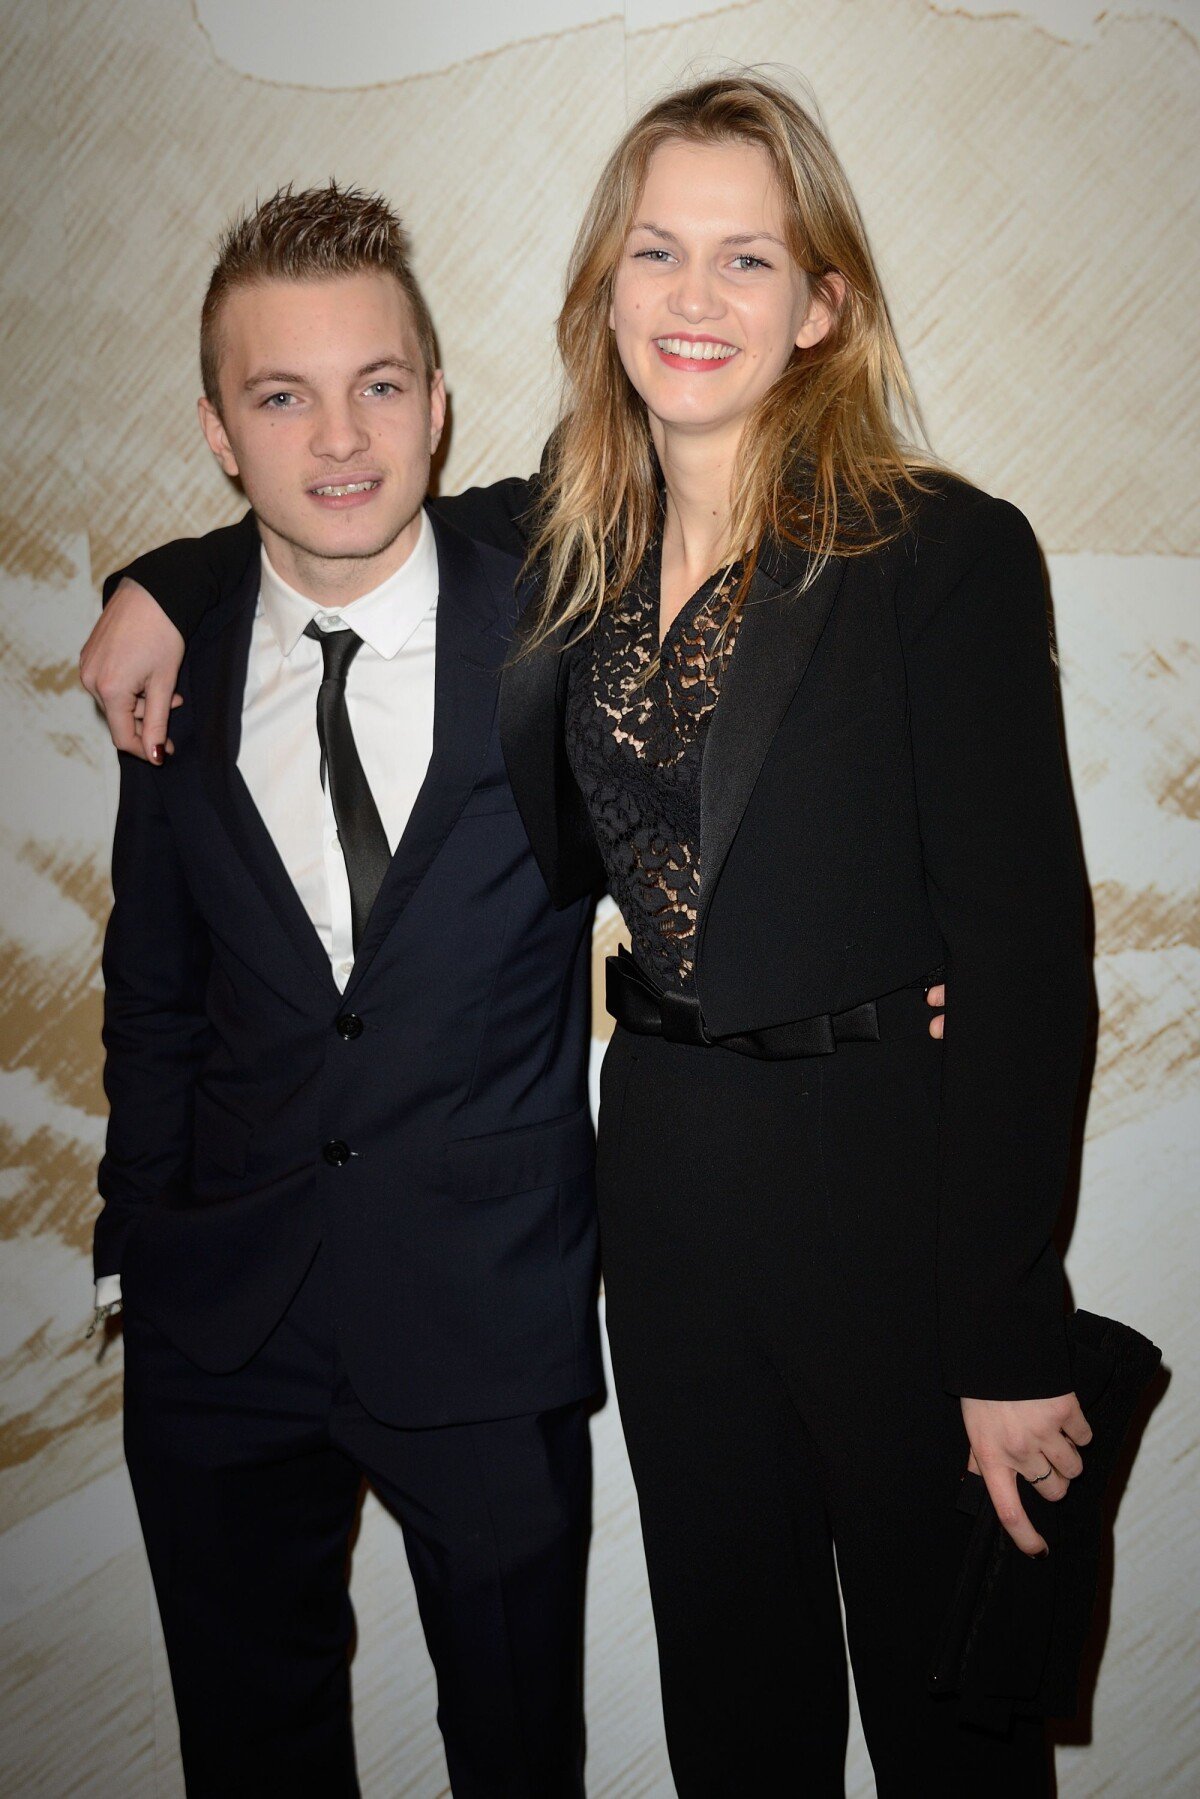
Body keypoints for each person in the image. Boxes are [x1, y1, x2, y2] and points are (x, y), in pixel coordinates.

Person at [89, 183, 603, 1798]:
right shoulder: (174, 660)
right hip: (218, 1342)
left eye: (379, 384)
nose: (340, 439)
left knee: (520, 1758)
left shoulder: (553, 602)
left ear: (441, 408)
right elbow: (155, 988)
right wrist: (137, 1255)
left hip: (485, 1317)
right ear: (218, 430)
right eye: (281, 394)